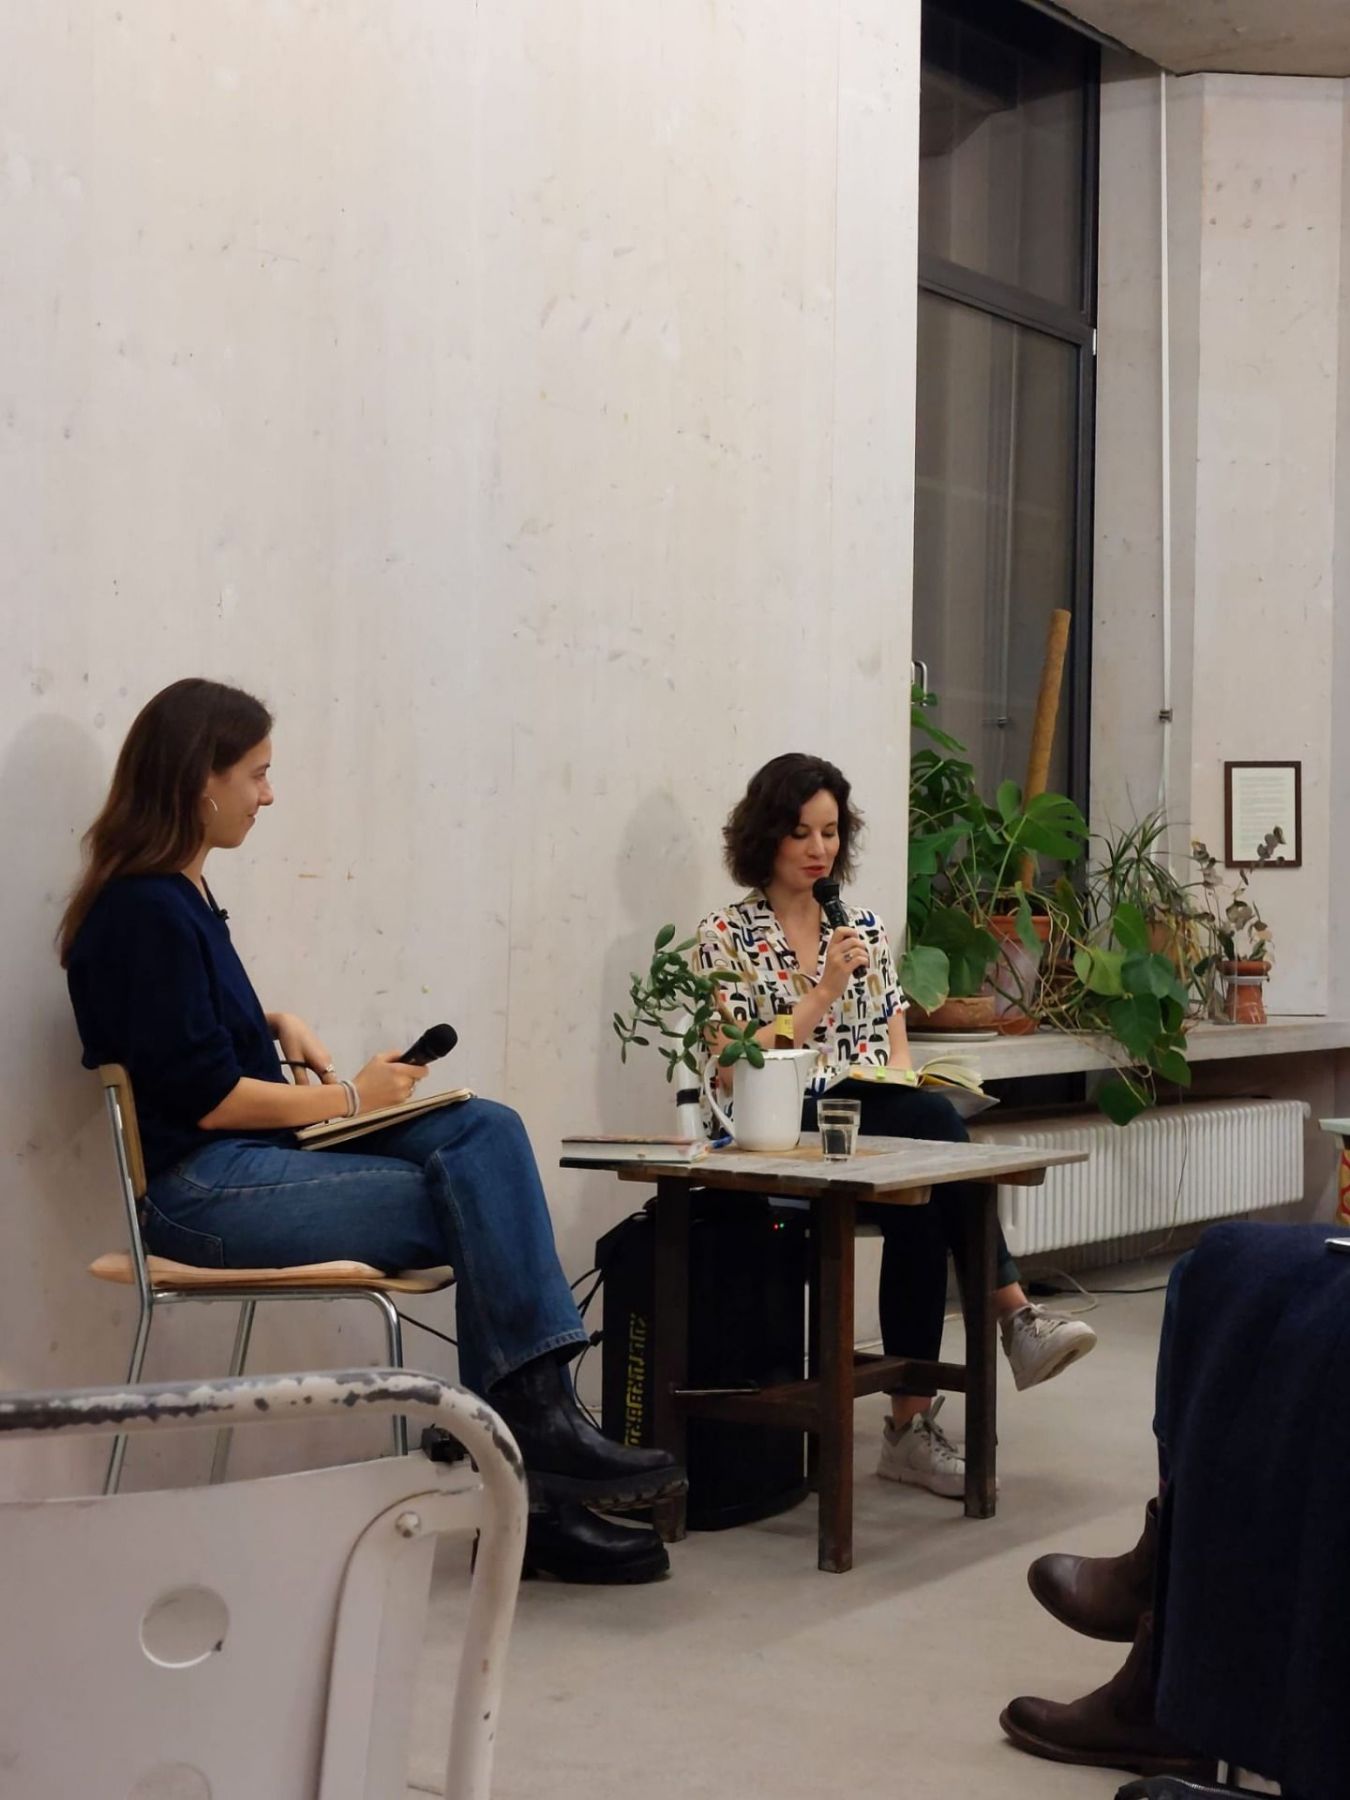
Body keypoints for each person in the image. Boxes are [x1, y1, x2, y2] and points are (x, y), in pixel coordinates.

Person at [60, 677, 677, 1585]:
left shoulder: (177, 895)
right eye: (257, 774)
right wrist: (353, 1097)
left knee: (485, 1131)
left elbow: (178, 1036)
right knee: (477, 1200)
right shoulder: (143, 909)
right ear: (200, 779)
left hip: (248, 1165)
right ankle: (536, 1464)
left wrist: (272, 1022)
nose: (269, 795)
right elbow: (210, 1101)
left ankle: (532, 1449)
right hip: (202, 1194)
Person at [696, 753, 1096, 1498]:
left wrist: (908, 1082)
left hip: (869, 1113)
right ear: (766, 836)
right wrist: (822, 992)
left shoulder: (863, 928)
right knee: (929, 1136)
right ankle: (1011, 1316)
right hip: (782, 1121)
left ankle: (911, 1428)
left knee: (928, 1177)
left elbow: (894, 1043)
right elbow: (731, 1065)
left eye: (831, 832)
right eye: (801, 833)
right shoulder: (725, 935)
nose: (820, 849)